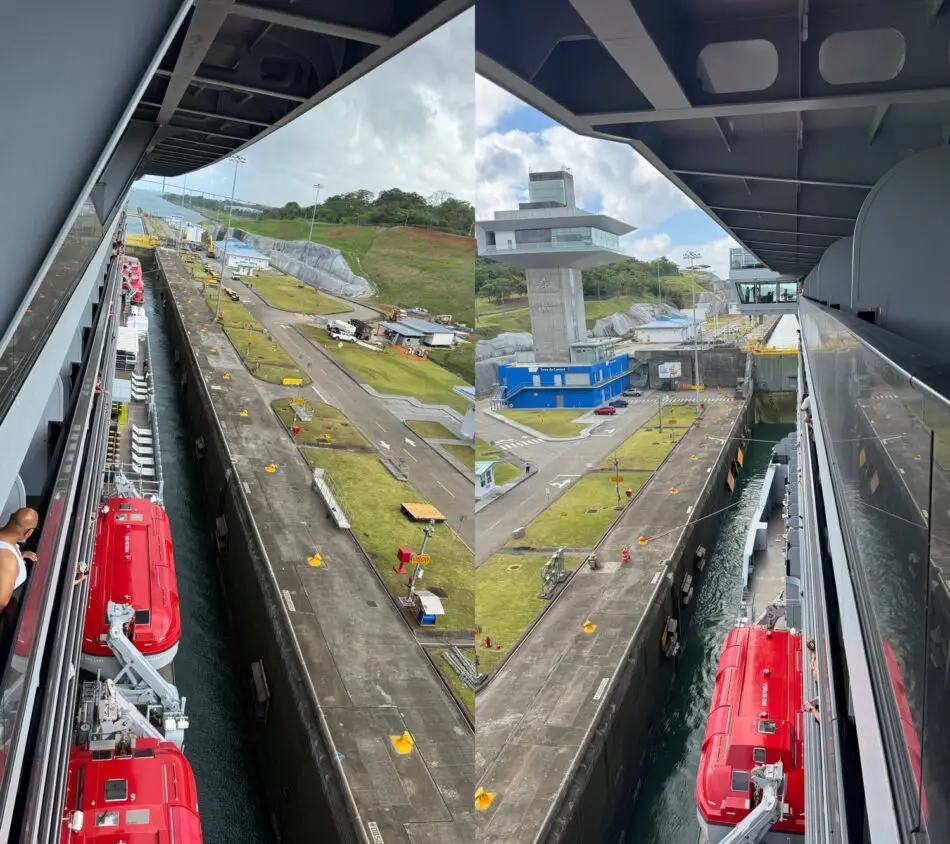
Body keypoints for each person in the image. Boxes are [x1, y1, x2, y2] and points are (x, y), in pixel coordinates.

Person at [0, 508, 39, 614]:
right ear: (28, 532)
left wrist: (21, 555)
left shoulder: (7, 547)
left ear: (11, 516)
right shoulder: (8, 560)